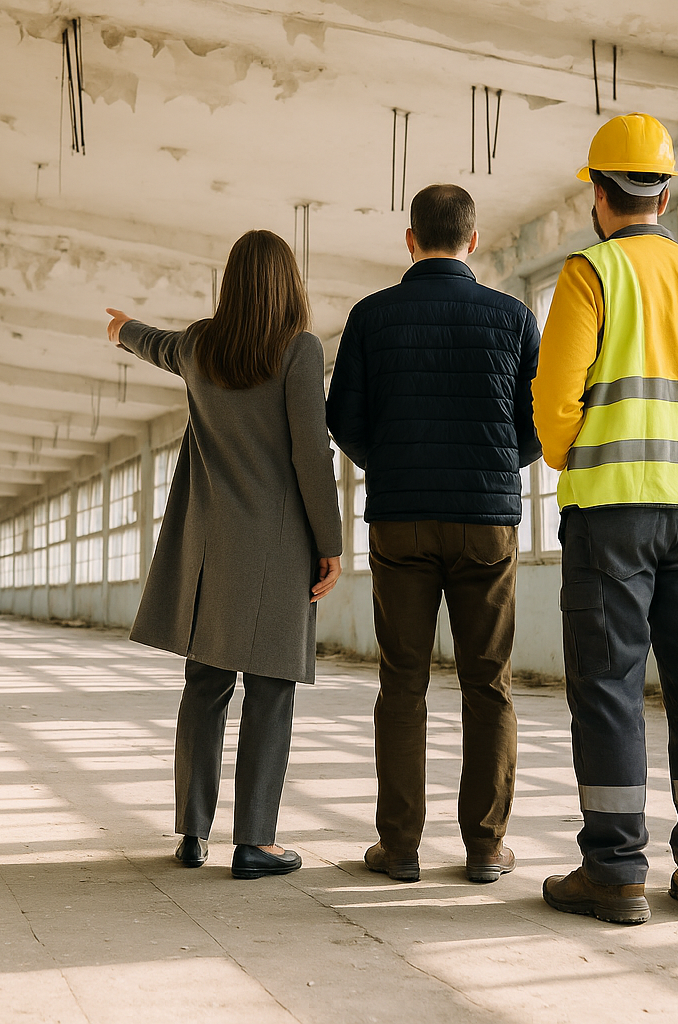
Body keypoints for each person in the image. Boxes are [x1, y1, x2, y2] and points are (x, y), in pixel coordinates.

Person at [532, 113, 678, 924]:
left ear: (599, 192)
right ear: (665, 192)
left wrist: (581, 450)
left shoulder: (590, 274)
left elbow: (554, 408)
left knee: (609, 688)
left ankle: (615, 871)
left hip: (610, 516)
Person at [105, 229, 343, 881]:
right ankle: (255, 842)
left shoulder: (202, 345)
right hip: (277, 546)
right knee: (270, 690)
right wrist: (332, 544)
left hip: (209, 549)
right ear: (288, 283)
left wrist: (123, 328)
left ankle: (192, 831)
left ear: (232, 284)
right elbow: (311, 454)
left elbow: (156, 345)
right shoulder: (299, 351)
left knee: (204, 687)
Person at [327, 184, 541, 884]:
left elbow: (342, 418)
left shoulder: (371, 316)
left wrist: (389, 463)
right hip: (486, 523)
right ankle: (485, 847)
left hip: (401, 519)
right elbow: (538, 422)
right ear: (472, 242)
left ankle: (400, 848)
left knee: (403, 685)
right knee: (489, 685)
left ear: (411, 239)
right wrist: (492, 466)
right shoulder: (511, 316)